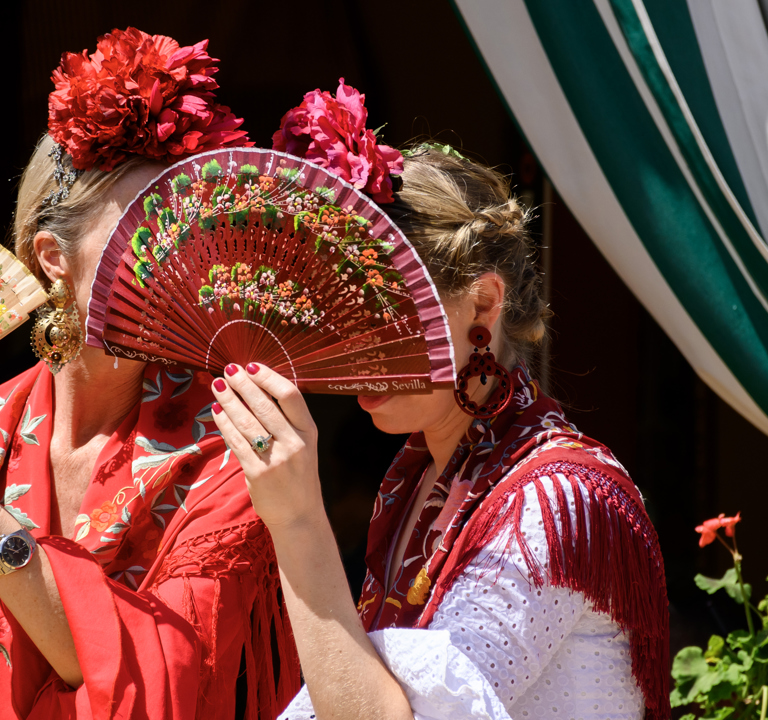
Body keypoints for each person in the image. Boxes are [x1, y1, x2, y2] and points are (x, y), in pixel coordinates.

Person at [0, 28, 299, 720]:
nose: (174, 265)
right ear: (54, 256)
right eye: (144, 234)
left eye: (188, 233)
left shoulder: (231, 444)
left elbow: (167, 680)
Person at [209, 81, 670, 720]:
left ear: (482, 304)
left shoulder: (554, 500)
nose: (349, 354)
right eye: (332, 323)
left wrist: (298, 522)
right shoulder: (423, 478)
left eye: (379, 318)